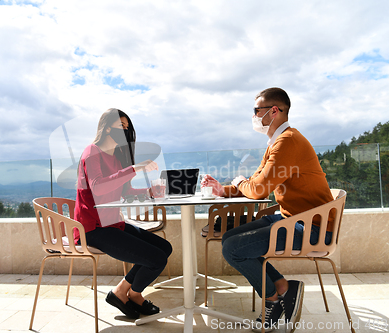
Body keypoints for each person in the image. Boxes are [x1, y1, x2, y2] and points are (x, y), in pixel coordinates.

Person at [201, 88, 334, 332]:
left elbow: (258, 189)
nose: (253, 117)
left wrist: (240, 181)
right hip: (293, 218)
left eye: (256, 111)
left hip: (313, 227)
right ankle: (282, 287)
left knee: (233, 248)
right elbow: (255, 183)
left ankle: (272, 298)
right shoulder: (277, 142)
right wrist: (224, 190)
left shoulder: (287, 141)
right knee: (231, 237)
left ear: (274, 111)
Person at [74, 108, 173, 319]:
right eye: (122, 126)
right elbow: (98, 187)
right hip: (93, 228)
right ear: (107, 127)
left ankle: (123, 291)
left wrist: (148, 192)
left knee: (164, 247)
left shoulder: (117, 159)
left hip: (112, 223)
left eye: (127, 128)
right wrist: (135, 169)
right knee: (155, 258)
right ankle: (133, 295)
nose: (125, 131)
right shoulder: (92, 152)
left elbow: (125, 191)